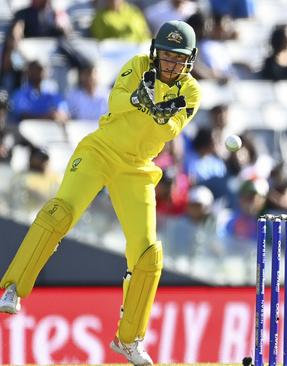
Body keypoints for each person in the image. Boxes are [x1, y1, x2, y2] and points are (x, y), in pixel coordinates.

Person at [0, 20, 201, 365]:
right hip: (99, 151)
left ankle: (129, 339)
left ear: (188, 61)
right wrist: (141, 99)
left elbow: (170, 128)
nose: (169, 64)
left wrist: (158, 112)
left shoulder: (192, 92)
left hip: (137, 169)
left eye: (177, 58)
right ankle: (14, 287)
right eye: (165, 56)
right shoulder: (138, 66)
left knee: (149, 253)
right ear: (156, 53)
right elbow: (116, 98)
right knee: (60, 211)